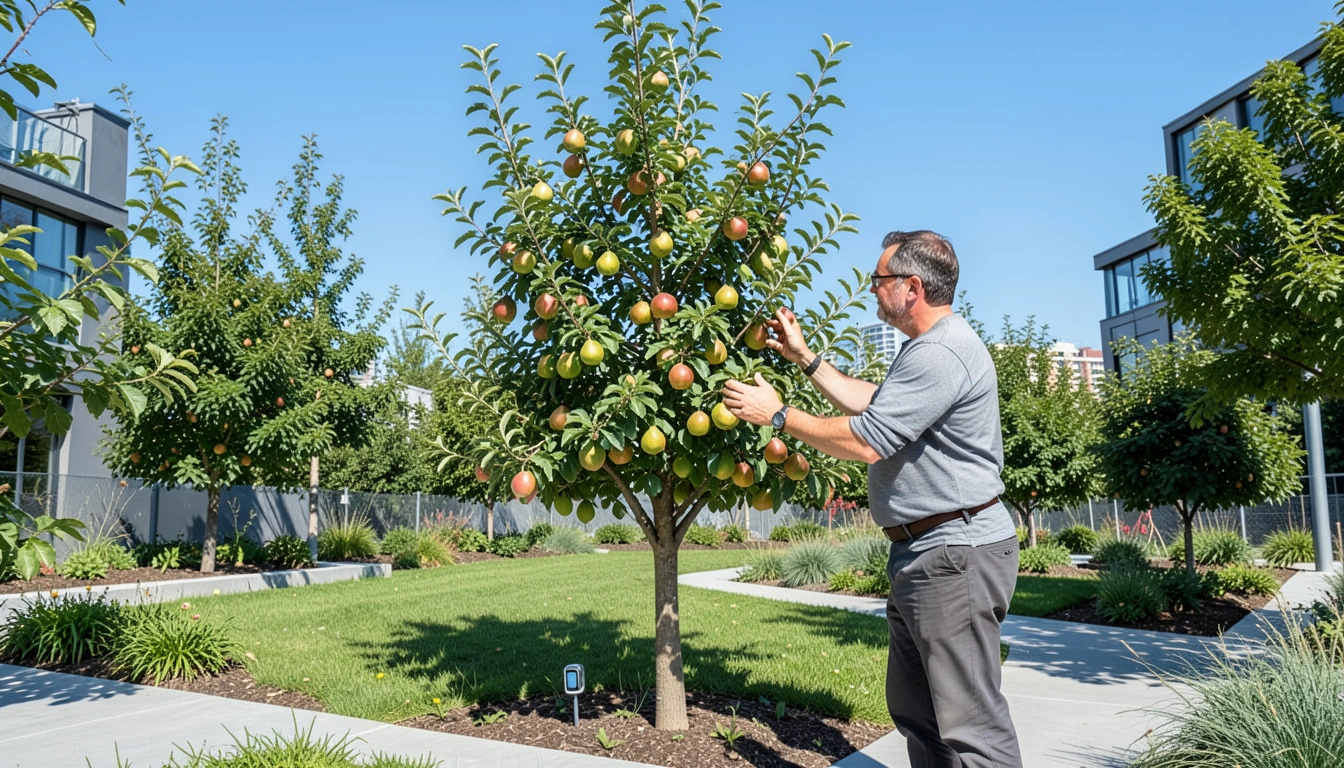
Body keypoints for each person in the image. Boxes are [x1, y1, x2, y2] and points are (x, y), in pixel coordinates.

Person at [723, 230, 1022, 768]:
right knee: (918, 712)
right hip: (924, 552)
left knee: (972, 725)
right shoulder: (924, 350)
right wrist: (805, 359)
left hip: (954, 553)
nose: (871, 289)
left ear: (912, 287)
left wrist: (778, 415)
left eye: (878, 280)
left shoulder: (943, 351)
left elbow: (866, 438)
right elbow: (875, 404)